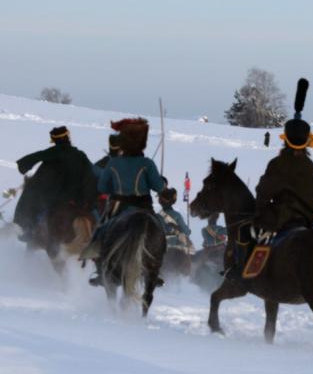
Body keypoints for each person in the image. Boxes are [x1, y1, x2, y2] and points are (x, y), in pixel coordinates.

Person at [80, 118, 165, 284]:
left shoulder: (113, 163)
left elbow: (102, 187)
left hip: (118, 206)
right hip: (144, 207)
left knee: (101, 231)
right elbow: (159, 187)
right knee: (160, 229)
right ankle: (155, 270)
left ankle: (100, 271)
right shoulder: (147, 163)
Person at [14, 126, 97, 242]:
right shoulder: (80, 155)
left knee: (31, 197)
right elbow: (91, 174)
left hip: (58, 197)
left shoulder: (53, 152)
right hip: (79, 198)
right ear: (68, 137)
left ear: (54, 140)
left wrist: (23, 166)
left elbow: (35, 157)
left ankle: (29, 229)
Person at [157, 187, 194, 254]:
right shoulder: (177, 215)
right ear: (173, 201)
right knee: (191, 252)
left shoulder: (157, 216)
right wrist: (188, 231)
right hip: (176, 246)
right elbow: (186, 232)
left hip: (161, 246)